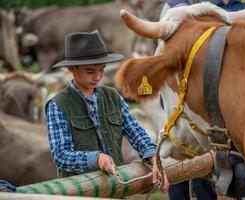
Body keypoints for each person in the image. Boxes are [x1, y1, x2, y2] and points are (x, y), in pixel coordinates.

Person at [45, 30, 169, 193]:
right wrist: (95, 159)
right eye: (90, 71)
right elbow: (61, 155)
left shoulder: (113, 96)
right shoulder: (57, 105)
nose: (97, 77)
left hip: (115, 190)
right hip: (78, 193)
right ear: (71, 68)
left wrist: (153, 156)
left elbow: (135, 132)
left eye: (102, 70)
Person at [162, 0, 245, 199]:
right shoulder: (193, 7)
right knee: (181, 182)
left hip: (234, 119)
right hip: (192, 115)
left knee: (234, 178)